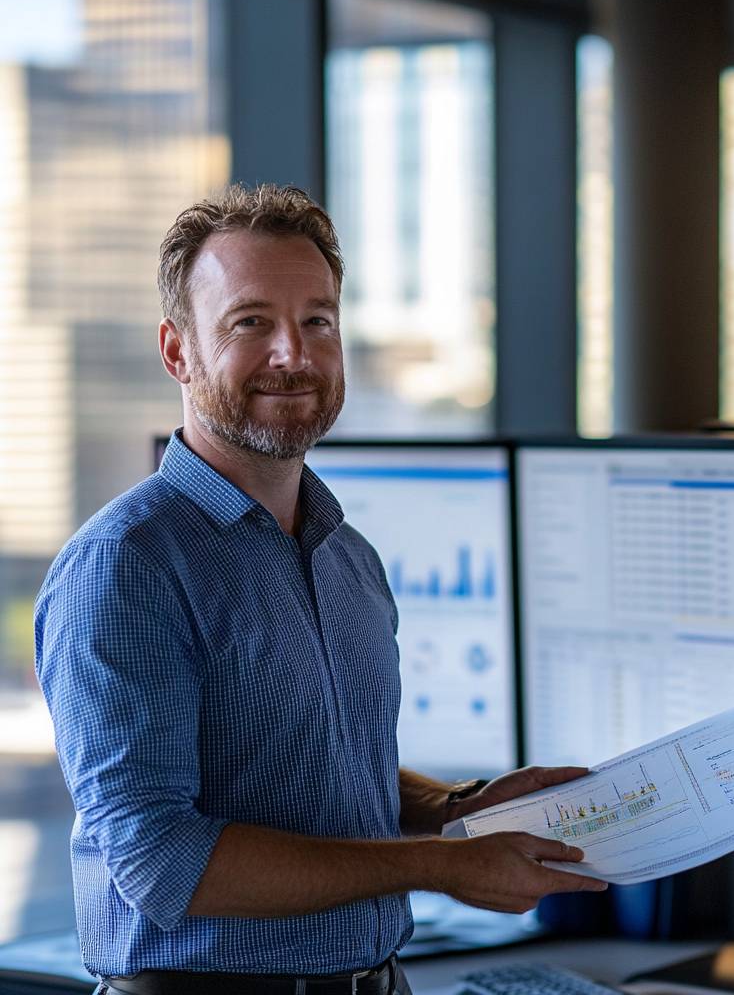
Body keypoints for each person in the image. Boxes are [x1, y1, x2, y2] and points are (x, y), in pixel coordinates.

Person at [35, 184, 607, 995]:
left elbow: (320, 767)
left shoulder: (348, 556)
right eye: (250, 322)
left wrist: (458, 807)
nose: (293, 355)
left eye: (318, 322)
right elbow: (163, 861)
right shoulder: (128, 566)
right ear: (177, 352)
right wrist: (442, 867)